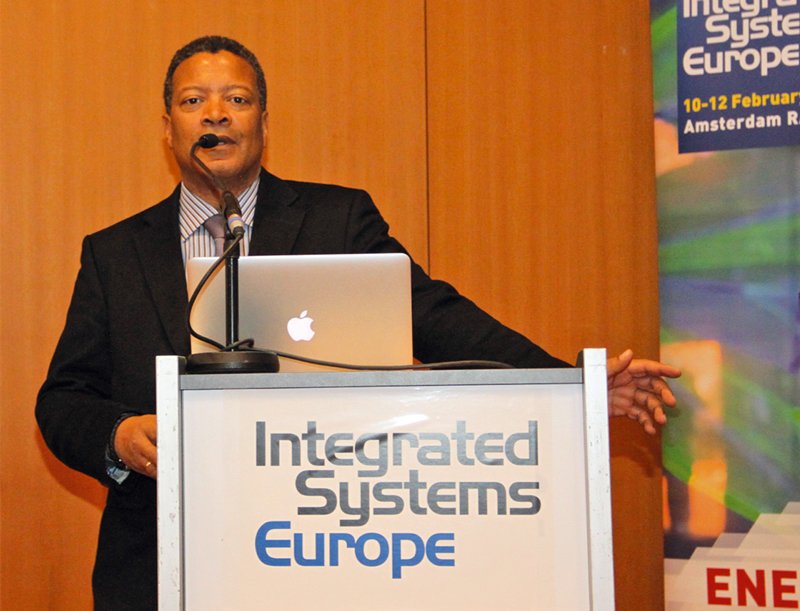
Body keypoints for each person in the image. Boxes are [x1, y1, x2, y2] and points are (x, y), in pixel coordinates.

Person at [36, 35, 680, 610]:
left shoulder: (336, 221)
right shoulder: (115, 253)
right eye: (193, 101)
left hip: (320, 550)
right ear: (169, 127)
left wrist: (570, 385)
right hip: (159, 560)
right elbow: (63, 399)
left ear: (263, 121)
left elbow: (436, 318)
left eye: (237, 98)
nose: (216, 114)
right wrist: (118, 435)